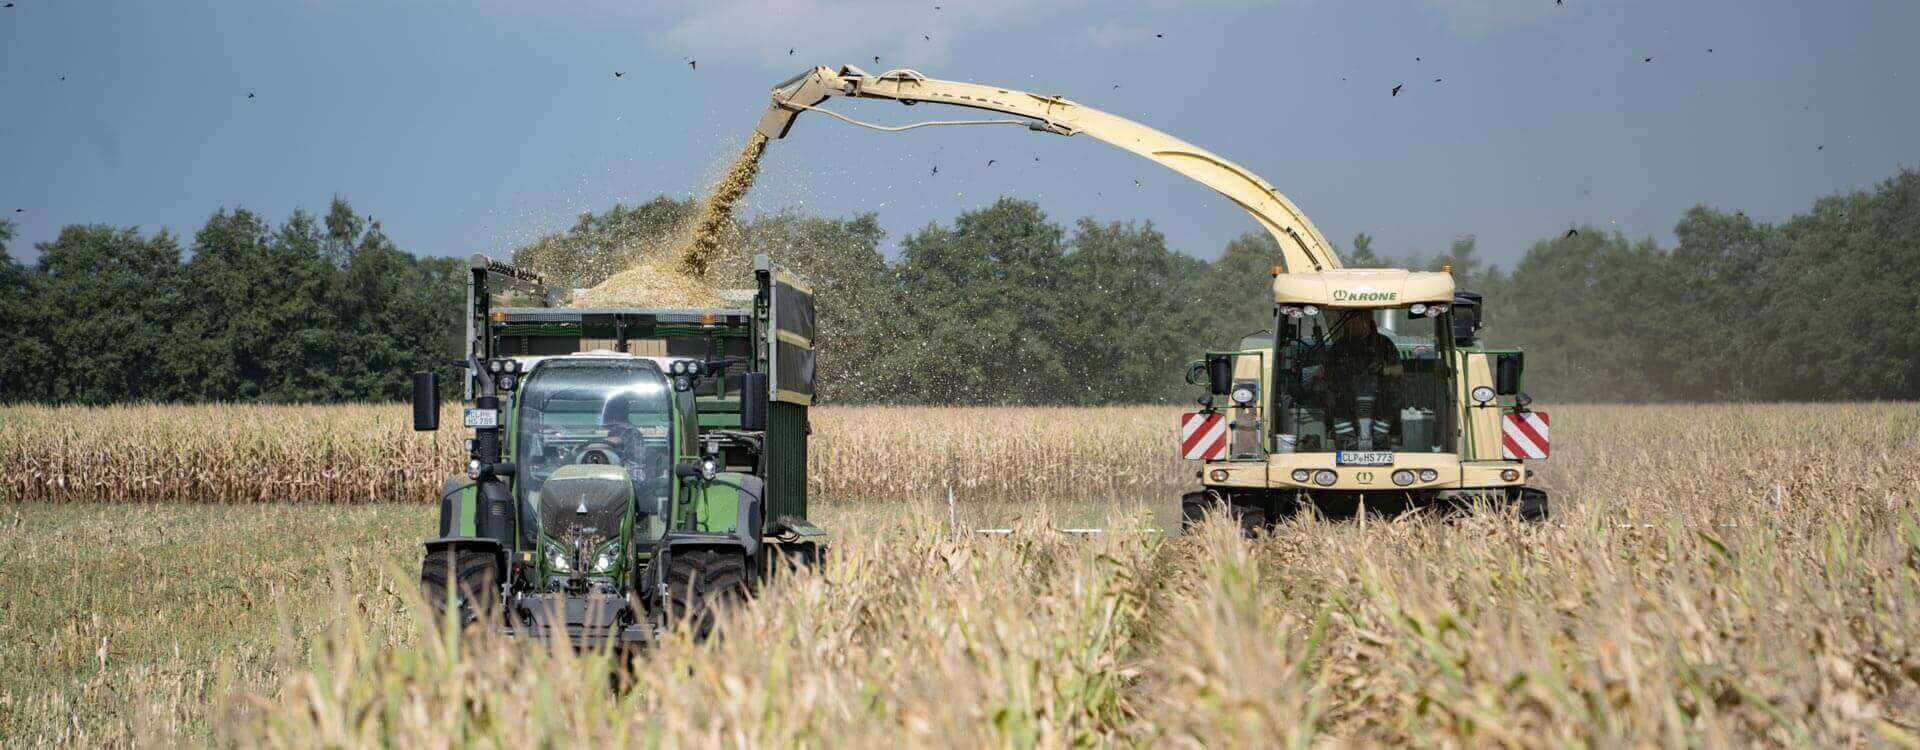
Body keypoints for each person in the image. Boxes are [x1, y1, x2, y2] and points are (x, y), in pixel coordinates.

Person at [1315, 313, 1403, 445]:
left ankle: (1381, 438)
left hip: (1381, 406)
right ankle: (1346, 439)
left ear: (1365, 320)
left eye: (1354, 319)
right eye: (1348, 321)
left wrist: (1385, 370)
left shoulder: (1383, 344)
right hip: (1344, 405)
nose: (1350, 324)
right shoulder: (1340, 346)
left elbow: (1400, 371)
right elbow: (1325, 372)